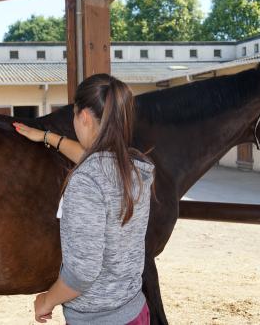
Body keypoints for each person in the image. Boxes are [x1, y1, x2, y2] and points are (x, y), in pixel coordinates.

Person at [12, 73, 154, 325]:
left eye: (74, 114)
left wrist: (46, 301)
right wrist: (47, 137)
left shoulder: (86, 182)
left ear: (85, 117)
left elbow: (81, 273)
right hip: (135, 310)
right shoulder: (135, 167)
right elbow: (93, 159)